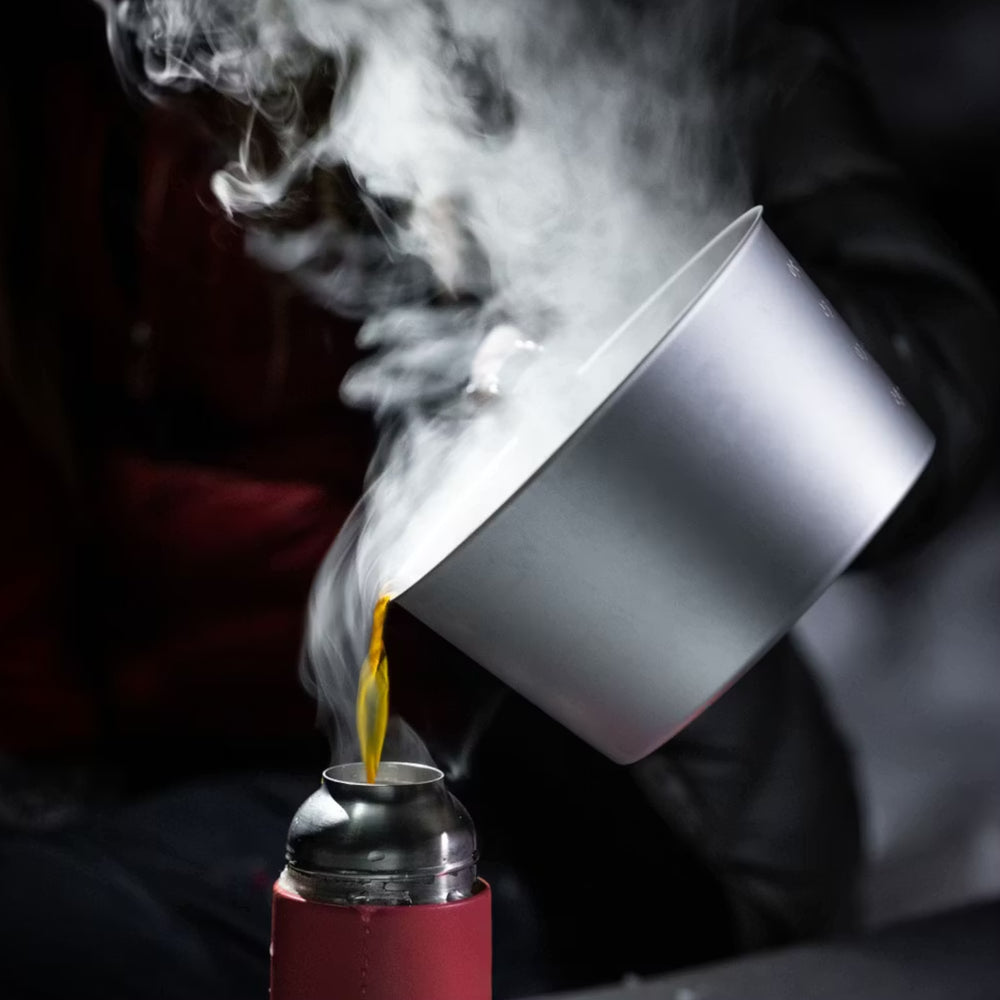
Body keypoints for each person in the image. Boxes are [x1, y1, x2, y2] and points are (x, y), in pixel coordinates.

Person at [0, 1, 997, 998]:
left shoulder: (601, 32)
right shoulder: (68, 81)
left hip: (558, 800)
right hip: (135, 788)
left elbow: (917, 417)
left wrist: (623, 268)